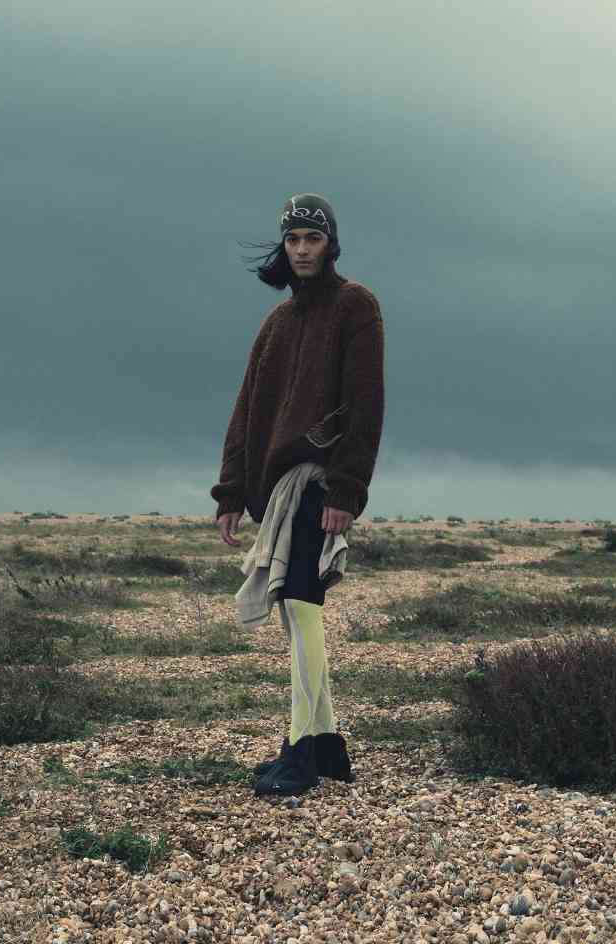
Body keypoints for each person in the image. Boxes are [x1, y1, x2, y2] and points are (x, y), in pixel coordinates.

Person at [210, 193, 385, 796]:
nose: (303, 249)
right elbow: (246, 410)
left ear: (331, 243)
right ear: (283, 247)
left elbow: (366, 404)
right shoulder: (277, 324)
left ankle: (301, 750)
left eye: (313, 238)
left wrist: (346, 488)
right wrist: (231, 492)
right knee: (295, 608)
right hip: (276, 486)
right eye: (293, 240)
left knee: (302, 603)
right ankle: (327, 744)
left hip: (319, 480)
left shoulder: (356, 306)